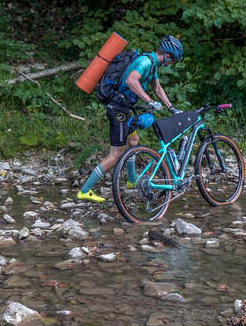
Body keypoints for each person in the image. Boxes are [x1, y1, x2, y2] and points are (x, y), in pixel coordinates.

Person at [76, 36, 184, 203]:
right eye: (173, 61)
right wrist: (149, 102)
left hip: (124, 108)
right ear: (168, 56)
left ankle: (132, 180)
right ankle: (85, 190)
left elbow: (157, 88)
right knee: (115, 154)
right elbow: (131, 80)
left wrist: (171, 108)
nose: (172, 64)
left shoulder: (152, 65)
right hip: (117, 109)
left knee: (133, 140)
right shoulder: (145, 62)